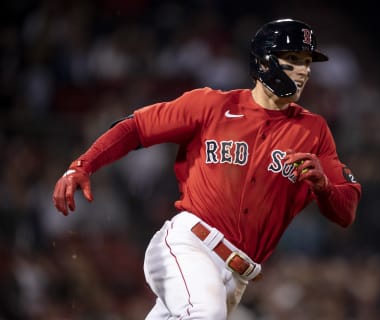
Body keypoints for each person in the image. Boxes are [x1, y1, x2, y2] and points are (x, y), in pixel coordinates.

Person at [53, 18, 362, 319]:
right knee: (205, 313)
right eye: (293, 59)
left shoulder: (314, 131)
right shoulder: (213, 106)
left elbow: (346, 212)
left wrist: (324, 188)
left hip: (236, 278)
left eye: (307, 62)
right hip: (189, 244)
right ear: (264, 60)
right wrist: (83, 165)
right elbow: (136, 127)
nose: (303, 71)